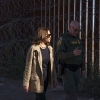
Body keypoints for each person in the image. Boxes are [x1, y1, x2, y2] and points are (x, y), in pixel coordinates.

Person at [23, 27, 58, 100]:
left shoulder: (50, 49)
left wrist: (55, 78)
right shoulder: (34, 49)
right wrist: (26, 83)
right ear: (43, 35)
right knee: (41, 97)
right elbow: (28, 66)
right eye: (49, 35)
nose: (50, 36)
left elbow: (52, 66)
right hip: (37, 79)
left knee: (39, 98)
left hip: (46, 78)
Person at [57, 20, 86, 100]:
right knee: (71, 93)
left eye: (78, 30)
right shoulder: (62, 39)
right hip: (68, 70)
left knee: (74, 93)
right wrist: (72, 54)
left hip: (77, 70)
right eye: (75, 30)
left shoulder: (78, 40)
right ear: (70, 27)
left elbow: (82, 55)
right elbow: (60, 55)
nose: (77, 32)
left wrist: (83, 69)